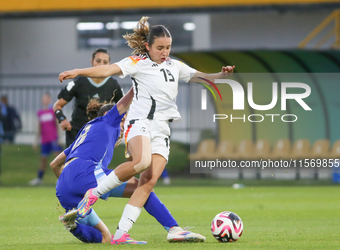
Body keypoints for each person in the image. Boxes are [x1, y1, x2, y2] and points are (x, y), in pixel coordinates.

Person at [59, 16, 234, 243]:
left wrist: (221, 75)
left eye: (168, 47)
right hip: (140, 122)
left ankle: (123, 234)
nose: (165, 52)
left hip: (162, 129)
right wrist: (78, 71)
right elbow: (107, 71)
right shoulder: (137, 62)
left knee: (148, 182)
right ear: (148, 47)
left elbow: (202, 77)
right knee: (141, 163)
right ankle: (93, 194)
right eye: (160, 47)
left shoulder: (175, 66)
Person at [51, 89, 199, 244]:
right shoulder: (108, 120)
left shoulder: (86, 132)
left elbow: (54, 164)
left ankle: (72, 225)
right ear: (111, 115)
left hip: (63, 185)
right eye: (123, 120)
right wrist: (142, 81)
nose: (124, 124)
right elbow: (129, 98)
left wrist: (70, 184)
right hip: (85, 172)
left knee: (105, 238)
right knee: (143, 188)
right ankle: (174, 228)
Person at [53, 48, 123, 147]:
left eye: (105, 62)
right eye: (98, 61)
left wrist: (120, 123)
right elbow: (58, 105)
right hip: (77, 132)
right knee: (72, 162)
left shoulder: (114, 85)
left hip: (100, 134)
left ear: (109, 65)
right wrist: (62, 119)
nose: (101, 64)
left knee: (94, 162)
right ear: (92, 62)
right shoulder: (80, 81)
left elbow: (125, 107)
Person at [29, 93, 62, 186]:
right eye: (44, 98)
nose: (45, 100)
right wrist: (36, 141)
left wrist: (59, 137)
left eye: (47, 98)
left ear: (49, 99)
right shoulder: (40, 112)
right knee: (43, 159)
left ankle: (61, 178)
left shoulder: (52, 111)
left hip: (54, 138)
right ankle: (39, 178)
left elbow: (57, 124)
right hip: (44, 139)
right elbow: (39, 127)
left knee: (58, 159)